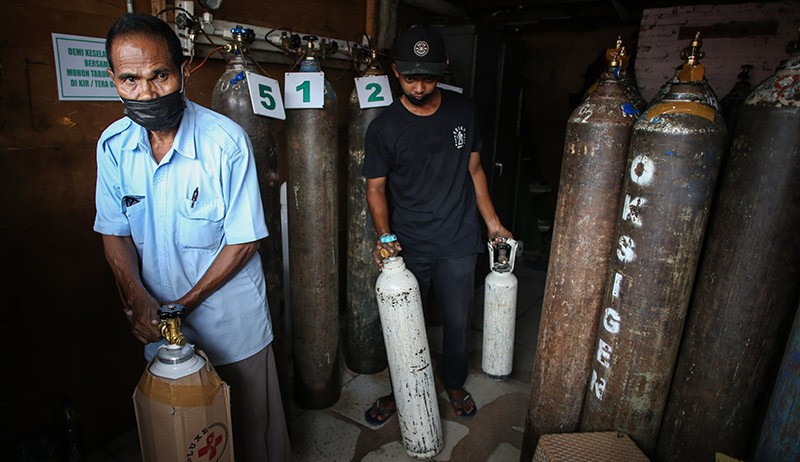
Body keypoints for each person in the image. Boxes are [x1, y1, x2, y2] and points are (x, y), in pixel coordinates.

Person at [93, 14, 289, 461]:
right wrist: (138, 296)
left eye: (159, 75)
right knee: (187, 439)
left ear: (183, 71)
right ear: (114, 79)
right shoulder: (114, 146)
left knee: (249, 432)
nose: (146, 92)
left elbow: (244, 241)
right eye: (130, 80)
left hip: (229, 325)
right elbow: (114, 232)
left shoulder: (225, 143)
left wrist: (182, 305)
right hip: (161, 330)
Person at [362, 24, 512, 425]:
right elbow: (375, 189)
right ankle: (400, 390)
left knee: (457, 322)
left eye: (428, 79)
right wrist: (385, 236)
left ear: (443, 69)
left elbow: (475, 170)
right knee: (403, 325)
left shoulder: (464, 111)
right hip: (408, 243)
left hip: (458, 238)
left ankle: (455, 383)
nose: (419, 88)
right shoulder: (384, 128)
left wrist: (493, 223)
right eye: (410, 78)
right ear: (395, 71)